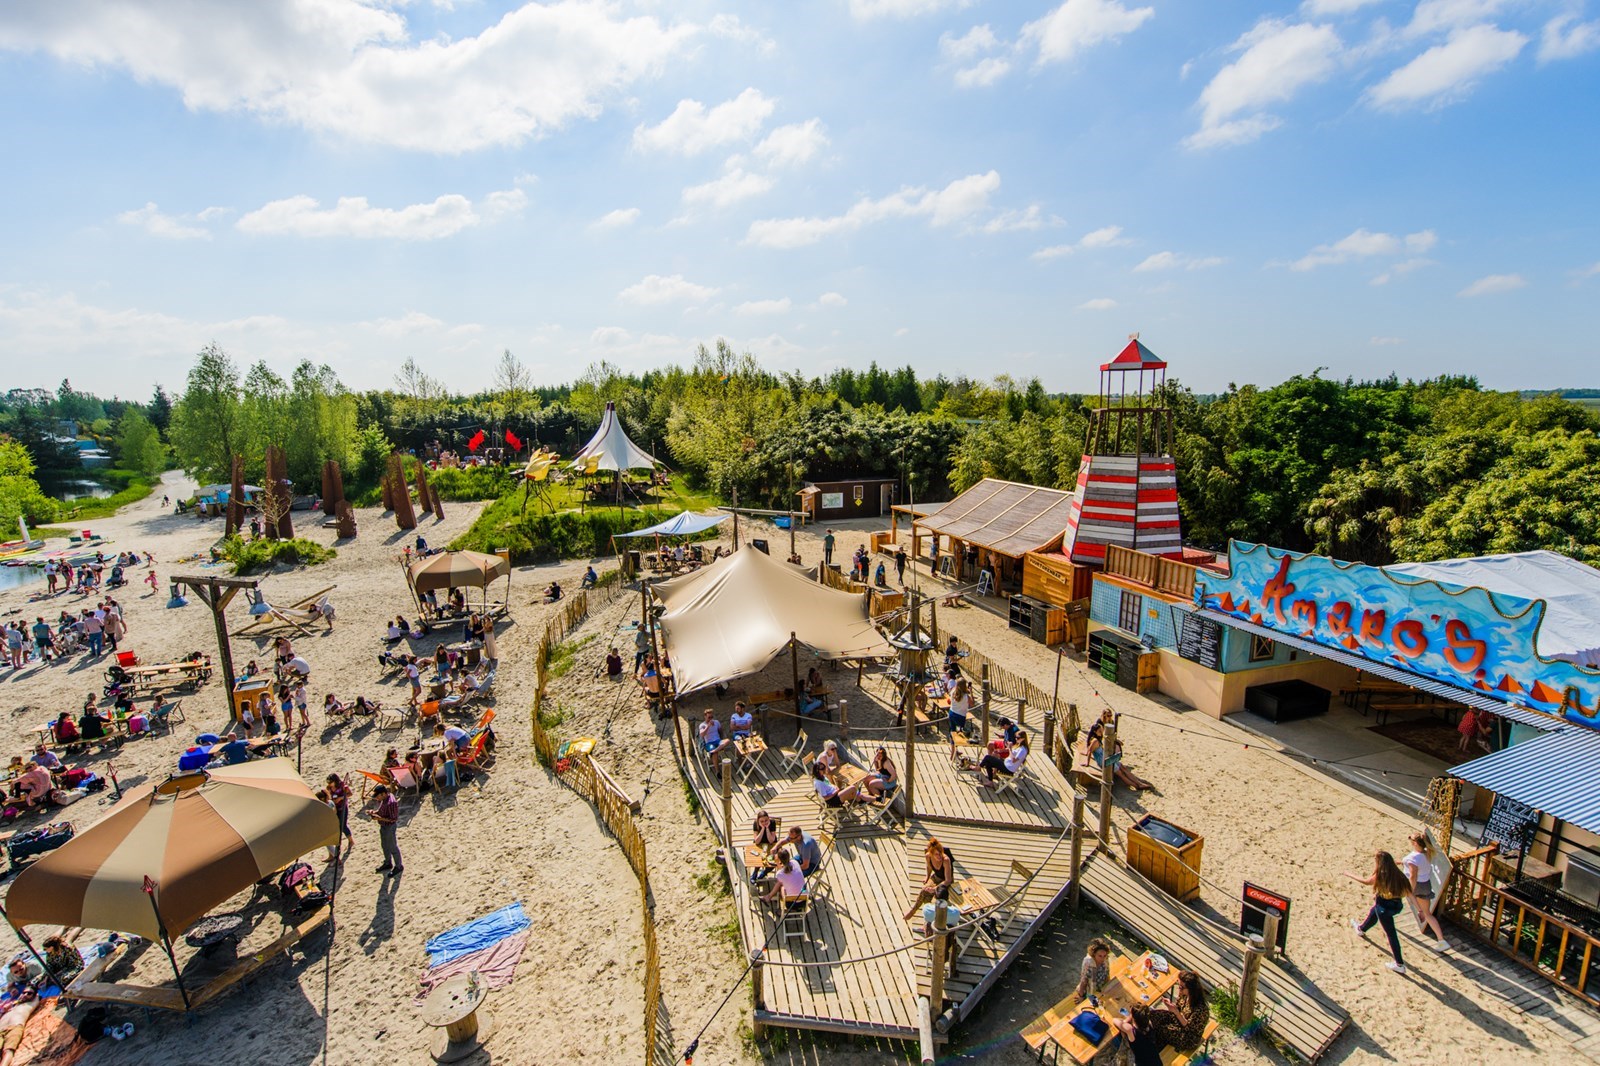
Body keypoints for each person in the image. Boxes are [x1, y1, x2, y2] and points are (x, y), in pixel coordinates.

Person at [1346, 850, 1413, 973]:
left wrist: (1350, 874)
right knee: (1374, 911)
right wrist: (1420, 911)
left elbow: (1366, 882)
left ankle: (1399, 964)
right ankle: (1361, 929)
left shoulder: (1381, 875)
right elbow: (1410, 893)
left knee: (1391, 934)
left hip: (1384, 908)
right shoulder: (1398, 875)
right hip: (1396, 906)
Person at [1403, 833, 1451, 951]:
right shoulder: (1427, 853)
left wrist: (1410, 891)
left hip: (1416, 885)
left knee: (1391, 896)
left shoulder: (1413, 858)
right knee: (1428, 914)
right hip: (1426, 885)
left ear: (1415, 843)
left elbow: (1413, 876)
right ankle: (1441, 940)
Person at [1086, 710, 1155, 791]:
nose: (1101, 733)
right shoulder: (1095, 741)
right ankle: (1136, 785)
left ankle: (1139, 783)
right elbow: (1089, 751)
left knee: (1123, 768)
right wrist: (1087, 763)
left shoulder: (1098, 738)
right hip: (1104, 761)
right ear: (1095, 732)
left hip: (1106, 758)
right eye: (1100, 731)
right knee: (1121, 774)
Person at [1147, 970, 1210, 1052]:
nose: (1179, 989)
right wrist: (1171, 1006)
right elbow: (1178, 1007)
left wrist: (1176, 1012)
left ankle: (1157, 1047)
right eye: (1179, 985)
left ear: (1191, 989)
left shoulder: (1200, 1010)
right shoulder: (1184, 995)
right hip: (1178, 1020)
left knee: (1162, 1029)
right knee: (1153, 1014)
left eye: (1182, 987)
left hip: (1188, 1037)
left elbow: (1189, 1029)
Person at [904, 837, 956, 920]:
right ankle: (913, 911)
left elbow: (948, 880)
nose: (939, 856)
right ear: (931, 854)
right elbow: (929, 867)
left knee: (933, 897)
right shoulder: (928, 856)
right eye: (936, 854)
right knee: (924, 890)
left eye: (940, 853)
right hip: (936, 877)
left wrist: (935, 888)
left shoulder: (946, 860)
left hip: (945, 881)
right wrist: (927, 877)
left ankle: (929, 916)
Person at [370, 785, 402, 875]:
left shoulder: (391, 803)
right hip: (383, 826)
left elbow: (393, 819)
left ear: (383, 794)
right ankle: (388, 863)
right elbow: (383, 811)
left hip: (389, 827)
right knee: (384, 845)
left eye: (378, 796)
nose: (377, 798)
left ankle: (399, 866)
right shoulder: (385, 799)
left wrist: (379, 818)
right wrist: (374, 813)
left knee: (392, 847)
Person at [326, 773, 353, 858]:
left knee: (343, 826)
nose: (329, 784)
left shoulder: (342, 786)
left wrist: (340, 798)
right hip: (335, 808)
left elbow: (350, 794)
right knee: (335, 827)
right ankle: (332, 853)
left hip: (342, 807)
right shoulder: (329, 788)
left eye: (330, 782)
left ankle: (351, 841)